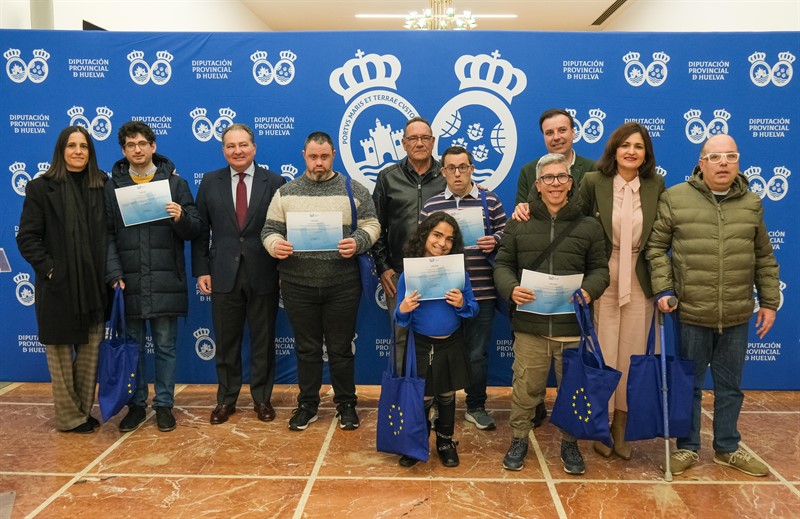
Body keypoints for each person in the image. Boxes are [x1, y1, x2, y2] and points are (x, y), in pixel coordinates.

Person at [645, 134, 779, 477]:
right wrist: (664, 288)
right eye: (715, 157)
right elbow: (656, 248)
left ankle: (727, 447)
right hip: (691, 311)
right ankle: (687, 447)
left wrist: (769, 301)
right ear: (701, 163)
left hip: (736, 313)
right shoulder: (676, 197)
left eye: (730, 157)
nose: (723, 163)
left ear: (738, 162)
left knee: (730, 387)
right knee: (688, 385)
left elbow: (764, 256)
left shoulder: (751, 202)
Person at [494, 153, 609, 475]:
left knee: (573, 391)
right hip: (530, 326)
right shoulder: (518, 223)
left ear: (571, 183)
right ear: (538, 185)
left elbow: (600, 270)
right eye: (548, 178)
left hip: (572, 326)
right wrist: (511, 288)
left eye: (561, 177)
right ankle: (519, 438)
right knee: (525, 389)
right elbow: (502, 265)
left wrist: (590, 290)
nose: (555, 183)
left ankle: (570, 443)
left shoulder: (589, 226)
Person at [262, 131, 380, 431]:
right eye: (313, 157)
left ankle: (346, 404)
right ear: (304, 156)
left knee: (341, 349)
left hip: (343, 285)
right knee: (307, 348)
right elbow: (269, 230)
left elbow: (372, 224)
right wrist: (275, 245)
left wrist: (358, 241)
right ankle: (307, 405)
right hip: (297, 285)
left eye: (324, 157)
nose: (319, 162)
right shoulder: (286, 192)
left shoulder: (354, 189)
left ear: (333, 156)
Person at [105, 121, 202, 433]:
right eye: (130, 145)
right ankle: (136, 405)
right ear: (124, 150)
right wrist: (114, 272)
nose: (137, 149)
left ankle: (163, 405)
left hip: (165, 280)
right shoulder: (113, 186)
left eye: (142, 144)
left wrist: (181, 217)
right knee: (132, 348)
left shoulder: (175, 184)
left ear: (153, 146)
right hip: (129, 281)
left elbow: (195, 228)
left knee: (165, 347)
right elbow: (107, 234)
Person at [576, 122, 665, 459]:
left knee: (631, 355)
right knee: (603, 354)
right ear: (614, 150)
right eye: (625, 145)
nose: (631, 151)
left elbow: (661, 235)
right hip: (603, 274)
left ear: (646, 154)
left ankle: (621, 428)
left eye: (638, 146)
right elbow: (574, 221)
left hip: (639, 277)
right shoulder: (593, 181)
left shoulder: (656, 184)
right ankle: (600, 424)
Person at [16, 126, 108, 434]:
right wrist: (51, 269)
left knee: (90, 353)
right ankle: (69, 418)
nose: (78, 151)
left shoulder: (102, 185)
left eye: (84, 146)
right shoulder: (40, 188)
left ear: (90, 152)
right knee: (59, 353)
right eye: (72, 145)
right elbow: (27, 238)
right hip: (58, 285)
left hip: (94, 285)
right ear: (61, 151)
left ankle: (82, 411)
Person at [192, 123, 286, 425]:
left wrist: (283, 270)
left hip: (264, 272)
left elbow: (283, 229)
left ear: (254, 148)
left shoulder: (275, 181)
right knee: (226, 342)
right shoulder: (210, 182)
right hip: (222, 273)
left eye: (243, 144)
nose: (238, 151)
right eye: (231, 146)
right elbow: (200, 231)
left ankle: (262, 399)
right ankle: (226, 400)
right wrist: (202, 270)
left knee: (263, 341)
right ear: (223, 151)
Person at [511, 108, 597, 427]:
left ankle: (570, 435)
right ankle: (530, 413)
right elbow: (525, 212)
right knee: (528, 372)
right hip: (537, 285)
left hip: (573, 271)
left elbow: (594, 220)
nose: (556, 137)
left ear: (573, 132)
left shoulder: (593, 170)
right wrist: (522, 209)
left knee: (572, 374)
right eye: (549, 132)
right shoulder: (529, 170)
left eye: (562, 130)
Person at [420, 146, 507, 431]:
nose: (457, 173)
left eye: (463, 167)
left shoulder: (489, 200)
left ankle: (476, 406)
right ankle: (437, 403)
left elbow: (507, 234)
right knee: (439, 353)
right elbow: (421, 245)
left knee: (476, 354)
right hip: (440, 295)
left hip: (481, 292)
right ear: (442, 171)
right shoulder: (431, 205)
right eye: (451, 168)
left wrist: (496, 240)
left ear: (472, 169)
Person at [394, 212, 479, 467]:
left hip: (451, 343)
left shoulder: (459, 273)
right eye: (437, 235)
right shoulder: (408, 274)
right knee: (423, 396)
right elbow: (400, 317)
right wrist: (404, 309)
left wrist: (462, 303)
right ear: (424, 235)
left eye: (449, 239)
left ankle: (445, 441)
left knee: (447, 394)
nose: (442, 243)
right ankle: (417, 442)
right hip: (421, 344)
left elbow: (473, 308)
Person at [372, 116, 446, 370]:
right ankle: (402, 391)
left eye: (425, 138)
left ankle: (436, 392)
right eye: (413, 138)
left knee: (439, 336)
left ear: (433, 141)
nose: (419, 143)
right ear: (403, 143)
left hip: (441, 273)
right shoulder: (387, 177)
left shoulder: (447, 175)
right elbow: (375, 226)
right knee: (400, 337)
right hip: (399, 274)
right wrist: (383, 268)